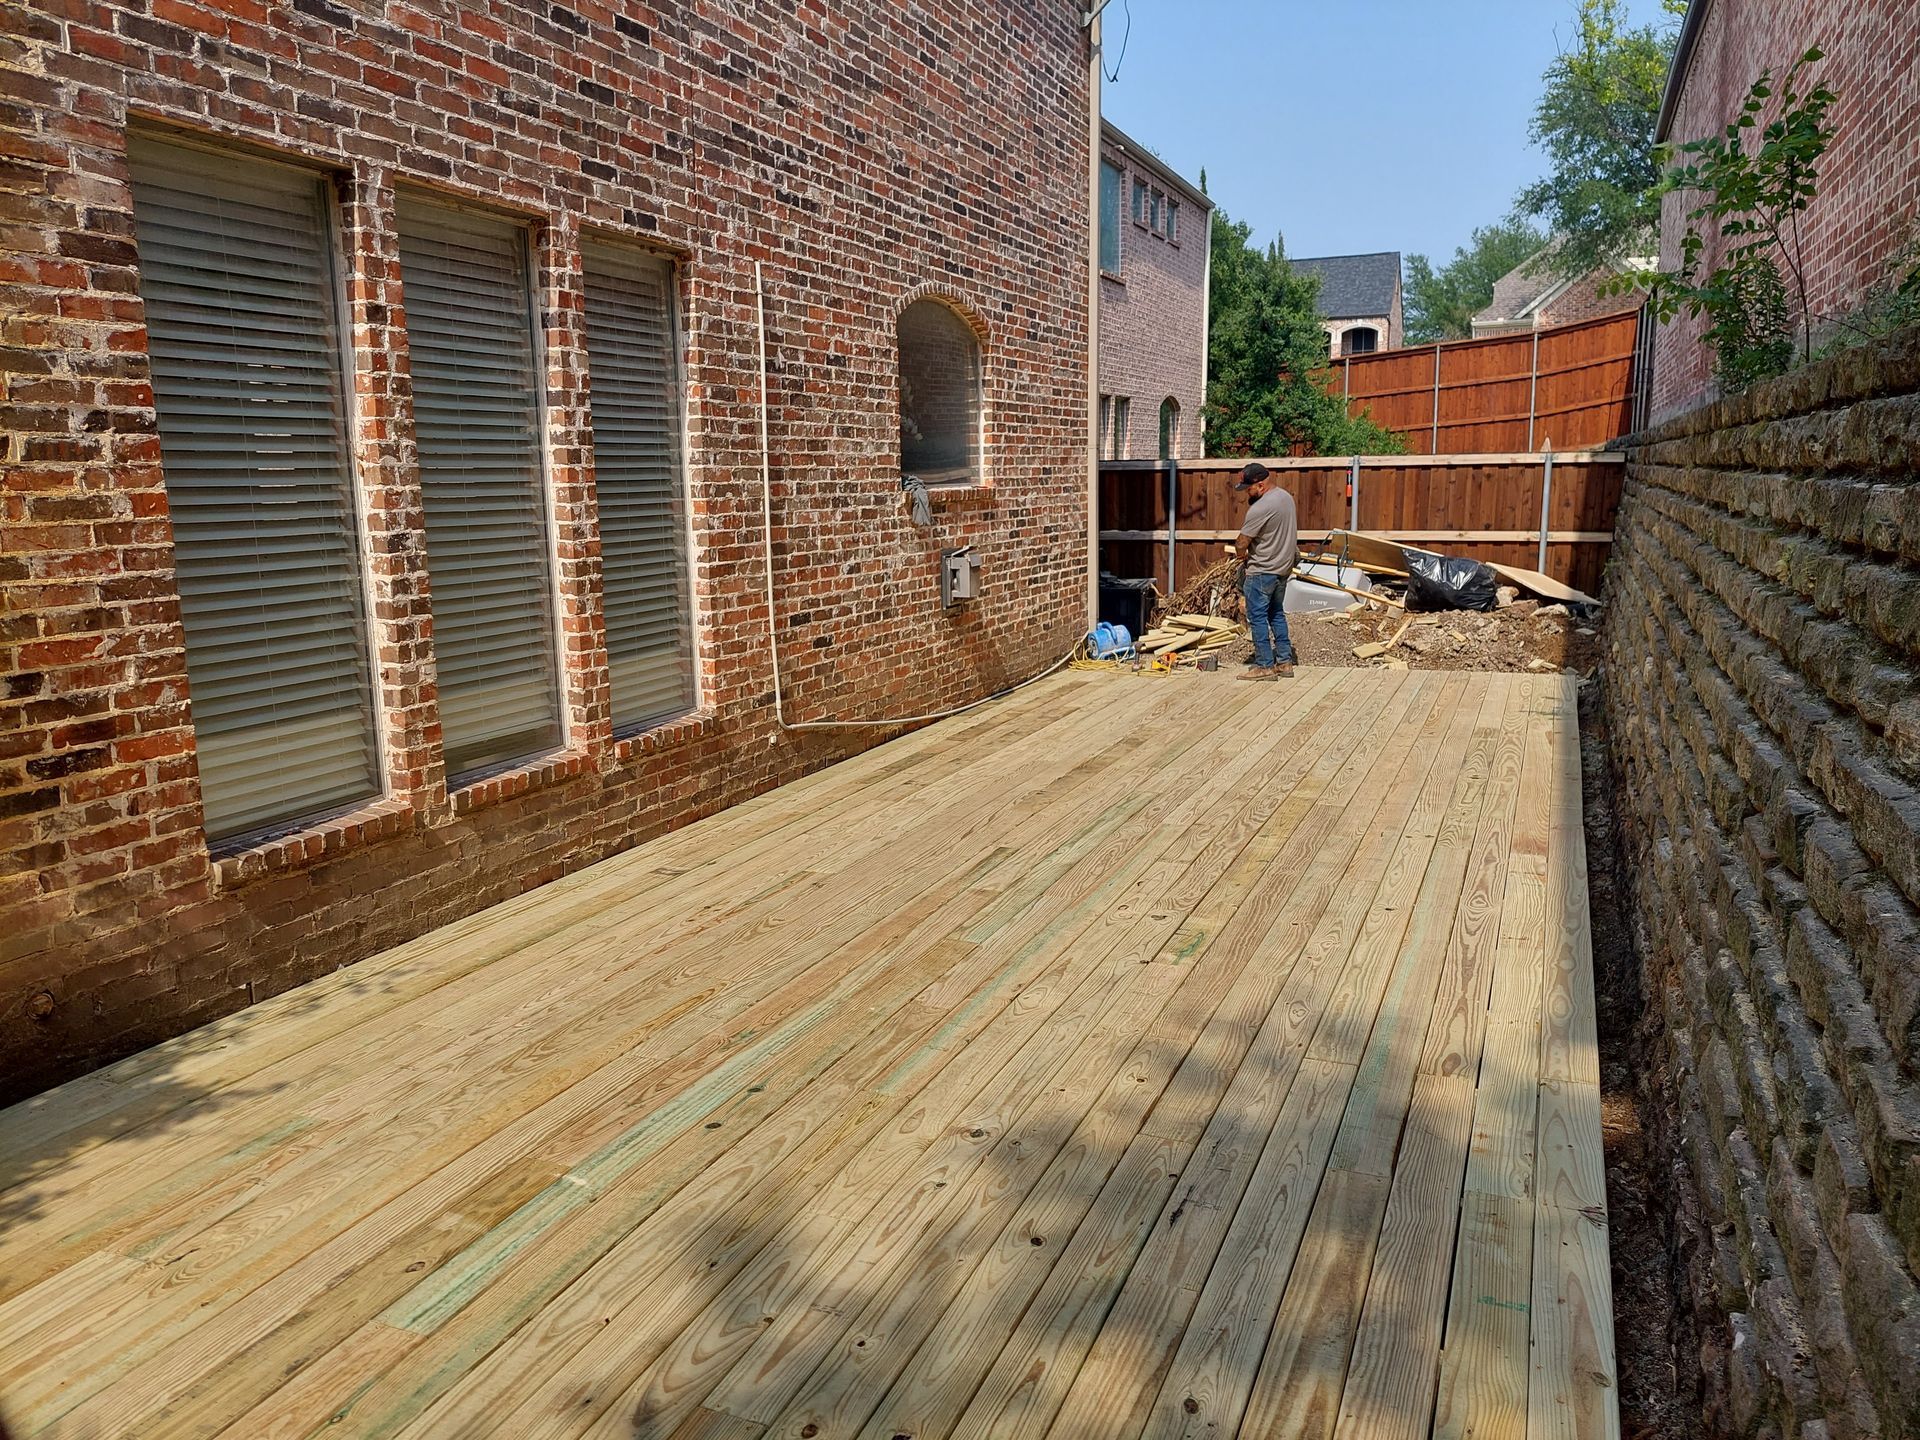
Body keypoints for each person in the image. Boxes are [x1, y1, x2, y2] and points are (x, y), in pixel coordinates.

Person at [1230, 461, 1298, 679]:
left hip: (1262, 571)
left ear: (1260, 485)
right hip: (1282, 569)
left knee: (1257, 616)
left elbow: (1241, 543)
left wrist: (1242, 557)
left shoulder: (1260, 507)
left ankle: (1264, 666)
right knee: (1276, 613)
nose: (1246, 493)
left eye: (1248, 488)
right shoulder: (1286, 498)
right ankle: (1285, 662)